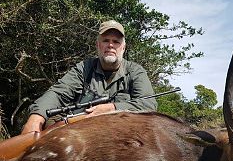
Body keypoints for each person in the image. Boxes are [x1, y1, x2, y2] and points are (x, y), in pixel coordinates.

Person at [22, 20, 157, 134]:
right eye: (106, 40)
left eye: (116, 42)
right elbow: (58, 93)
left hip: (118, 134)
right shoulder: (84, 68)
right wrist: (36, 117)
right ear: (98, 44)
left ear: (123, 47)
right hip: (79, 129)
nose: (110, 45)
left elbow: (148, 105)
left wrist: (112, 108)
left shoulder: (136, 71)